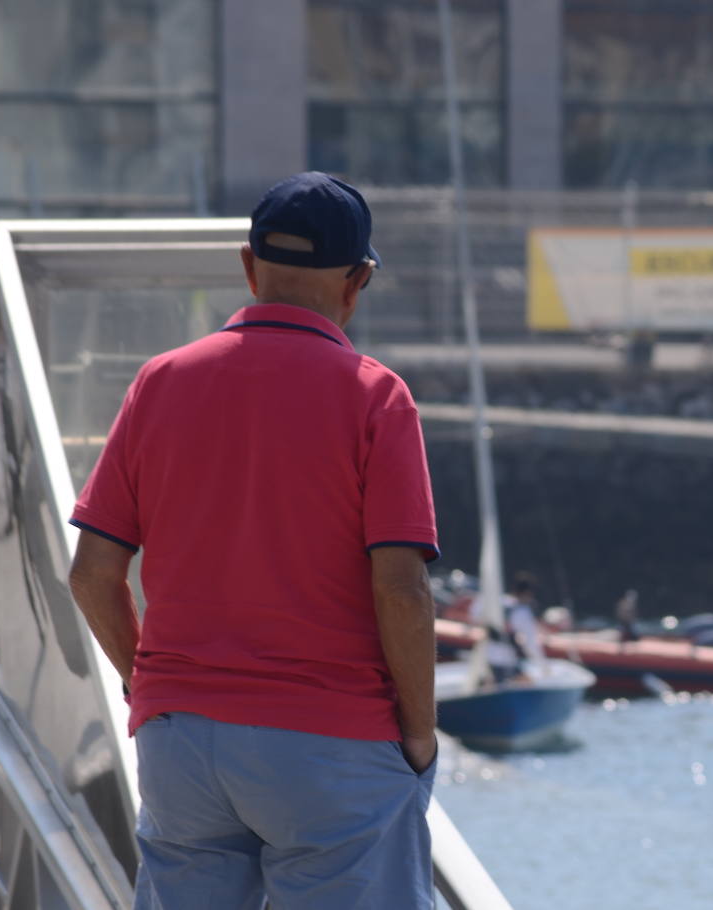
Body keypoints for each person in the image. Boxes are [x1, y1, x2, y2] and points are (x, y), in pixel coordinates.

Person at [67, 172, 440, 910]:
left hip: (183, 746)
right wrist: (420, 736)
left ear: (248, 264)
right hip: (331, 744)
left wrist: (150, 684)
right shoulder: (375, 395)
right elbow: (399, 587)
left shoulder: (161, 382)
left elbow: (91, 574)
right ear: (357, 280)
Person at [471, 571, 545, 683]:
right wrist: (543, 665)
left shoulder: (497, 601)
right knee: (527, 681)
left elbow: (475, 613)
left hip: (485, 657)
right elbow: (531, 644)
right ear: (528, 593)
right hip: (505, 661)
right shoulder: (523, 612)